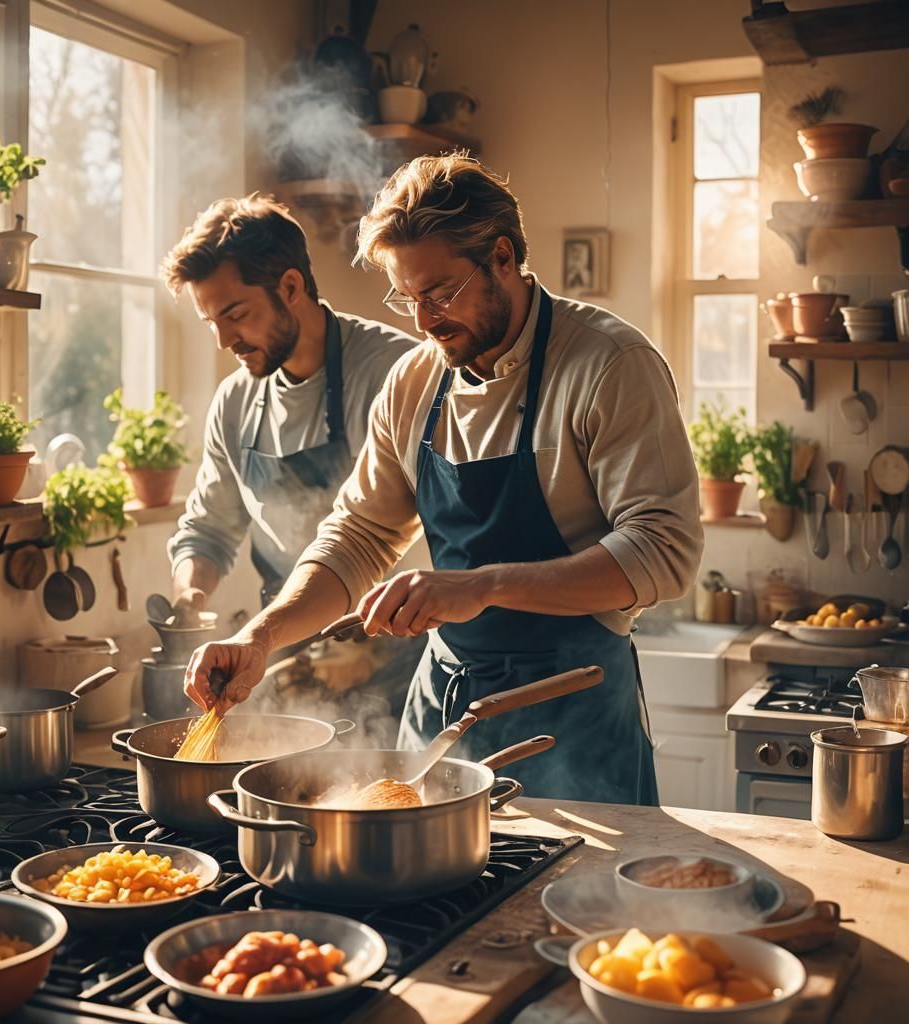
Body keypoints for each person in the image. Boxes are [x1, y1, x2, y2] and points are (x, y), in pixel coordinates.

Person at [182, 157, 703, 803]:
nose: (424, 320)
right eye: (407, 297)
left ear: (503, 257)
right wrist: (259, 635)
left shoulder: (607, 364)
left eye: (441, 292)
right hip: (445, 708)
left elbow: (664, 553)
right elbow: (358, 537)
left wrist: (484, 585)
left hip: (573, 708)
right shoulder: (415, 382)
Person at [162, 194, 422, 716]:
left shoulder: (393, 373)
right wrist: (190, 597)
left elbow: (391, 536)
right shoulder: (236, 401)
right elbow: (209, 528)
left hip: (396, 652)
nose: (223, 340)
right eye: (211, 321)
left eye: (235, 314)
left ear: (290, 287)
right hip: (284, 648)